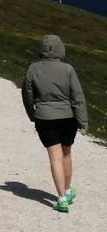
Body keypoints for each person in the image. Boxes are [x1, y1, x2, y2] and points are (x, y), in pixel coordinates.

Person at [21, 34, 89, 213]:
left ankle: (61, 199)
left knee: (55, 157)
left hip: (44, 117)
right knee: (66, 154)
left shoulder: (33, 69)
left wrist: (32, 114)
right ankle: (67, 191)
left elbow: (27, 94)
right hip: (68, 118)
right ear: (61, 48)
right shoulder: (68, 69)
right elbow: (78, 97)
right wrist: (82, 121)